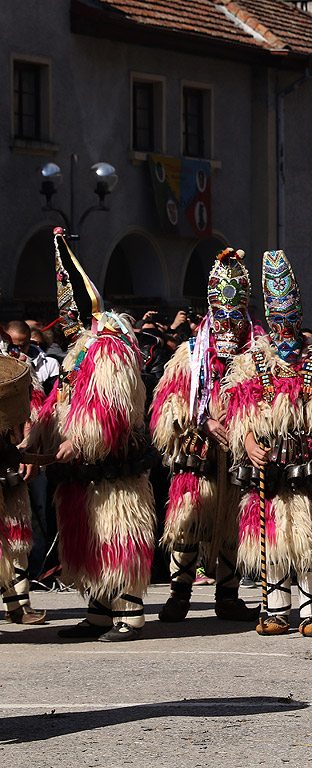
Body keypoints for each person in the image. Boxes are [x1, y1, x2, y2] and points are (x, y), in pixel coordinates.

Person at [28, 229, 157, 641]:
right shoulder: (76, 352)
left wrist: (79, 441)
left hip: (112, 468)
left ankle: (130, 614)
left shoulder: (110, 347)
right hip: (80, 471)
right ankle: (100, 610)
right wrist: (38, 437)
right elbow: (57, 401)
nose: (64, 314)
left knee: (118, 534)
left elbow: (111, 408)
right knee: (90, 539)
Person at [222, 250, 312, 637]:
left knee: (311, 536)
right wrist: (249, 442)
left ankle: (311, 611)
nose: (284, 327)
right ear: (269, 320)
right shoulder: (251, 362)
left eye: (291, 319)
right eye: (277, 320)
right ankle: (275, 610)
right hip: (269, 467)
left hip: (309, 464)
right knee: (271, 534)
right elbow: (239, 410)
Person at [150, 248, 263, 624]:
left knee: (232, 525)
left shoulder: (256, 353)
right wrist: (201, 421)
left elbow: (266, 400)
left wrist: (247, 425)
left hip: (237, 454)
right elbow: (170, 404)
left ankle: (227, 595)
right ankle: (179, 592)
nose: (229, 326)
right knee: (187, 523)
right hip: (198, 454)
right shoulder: (189, 353)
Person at [0, 330, 46, 625]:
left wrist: (29, 445)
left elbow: (34, 405)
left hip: (7, 457)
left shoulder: (16, 360)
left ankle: (18, 604)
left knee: (15, 533)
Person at [4, 320, 60, 393]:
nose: (18, 350)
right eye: (13, 346)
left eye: (22, 346)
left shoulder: (50, 364)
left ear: (29, 341)